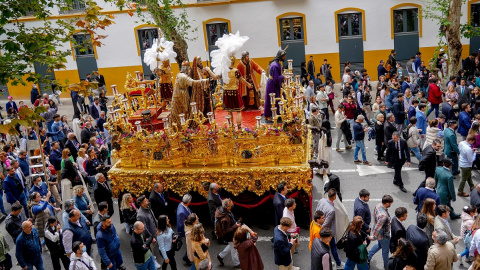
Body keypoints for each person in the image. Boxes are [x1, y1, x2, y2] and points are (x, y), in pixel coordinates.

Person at [315, 189, 345, 269]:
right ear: (334, 196)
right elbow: (326, 223)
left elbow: (316, 212)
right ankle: (338, 264)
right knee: (332, 247)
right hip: (327, 231)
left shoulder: (322, 200)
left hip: (318, 227)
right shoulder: (331, 210)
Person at [368, 194, 394, 269]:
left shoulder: (378, 206)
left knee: (379, 245)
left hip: (380, 235)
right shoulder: (383, 216)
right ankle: (386, 266)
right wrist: (374, 237)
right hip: (384, 235)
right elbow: (378, 227)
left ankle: (368, 257)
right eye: (390, 203)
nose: (391, 204)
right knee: (385, 251)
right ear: (387, 203)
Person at [215, 198, 240, 267]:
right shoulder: (225, 219)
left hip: (230, 234)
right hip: (229, 235)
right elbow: (226, 231)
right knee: (234, 249)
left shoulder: (223, 210)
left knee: (231, 245)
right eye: (231, 205)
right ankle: (237, 263)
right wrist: (235, 225)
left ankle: (220, 256)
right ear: (227, 207)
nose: (232, 205)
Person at [264, 49, 286, 120]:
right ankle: (268, 115)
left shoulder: (277, 63)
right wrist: (283, 77)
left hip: (275, 84)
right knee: (271, 100)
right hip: (272, 85)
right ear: (281, 56)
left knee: (278, 98)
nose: (284, 58)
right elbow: (276, 78)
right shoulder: (274, 65)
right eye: (284, 56)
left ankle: (278, 113)